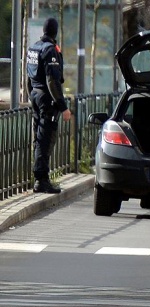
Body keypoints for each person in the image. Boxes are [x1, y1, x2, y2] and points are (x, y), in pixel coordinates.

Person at [26, 17, 72, 194]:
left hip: (36, 96)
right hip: (47, 99)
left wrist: (32, 95)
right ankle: (41, 180)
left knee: (38, 137)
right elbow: (52, 81)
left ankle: (40, 177)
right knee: (45, 139)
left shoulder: (33, 48)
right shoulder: (50, 50)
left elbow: (29, 76)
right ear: (55, 32)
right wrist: (63, 107)